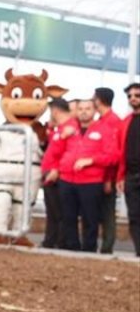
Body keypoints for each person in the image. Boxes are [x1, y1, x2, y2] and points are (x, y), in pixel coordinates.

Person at [45, 99, 118, 252]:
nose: (84, 112)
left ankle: (89, 250)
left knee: (90, 218)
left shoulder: (104, 130)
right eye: (81, 109)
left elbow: (113, 156)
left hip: (91, 181)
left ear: (95, 111)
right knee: (68, 217)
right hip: (67, 179)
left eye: (88, 108)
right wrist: (63, 136)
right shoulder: (70, 130)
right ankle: (72, 248)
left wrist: (91, 160)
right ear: (76, 112)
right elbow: (55, 152)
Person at [91, 88, 124, 254]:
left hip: (106, 177)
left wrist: (109, 179)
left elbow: (114, 153)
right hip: (96, 176)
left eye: (94, 97)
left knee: (107, 214)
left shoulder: (112, 122)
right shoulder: (100, 121)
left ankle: (106, 247)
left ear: (99, 100)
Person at [40, 98, 76, 249]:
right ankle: (50, 240)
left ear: (55, 110)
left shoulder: (70, 128)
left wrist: (56, 169)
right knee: (52, 211)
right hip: (50, 173)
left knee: (59, 212)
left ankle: (60, 241)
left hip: (57, 175)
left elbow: (69, 151)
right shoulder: (59, 129)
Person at [120, 83, 140, 257]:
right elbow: (122, 150)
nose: (133, 98)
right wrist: (120, 177)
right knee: (134, 214)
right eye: (130, 96)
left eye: (137, 95)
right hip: (131, 176)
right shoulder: (127, 121)